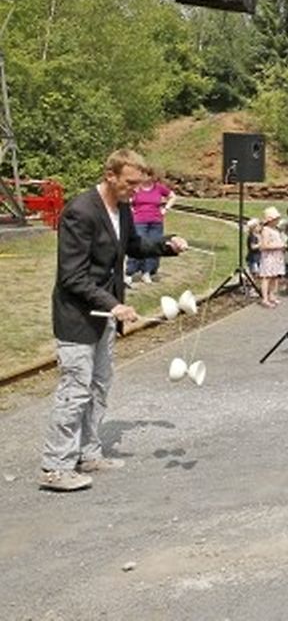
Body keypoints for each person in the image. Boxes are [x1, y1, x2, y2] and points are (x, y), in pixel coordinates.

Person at [41, 149, 189, 492]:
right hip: (77, 316)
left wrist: (168, 246)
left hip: (106, 315)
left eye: (140, 184)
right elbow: (71, 276)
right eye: (130, 183)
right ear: (111, 175)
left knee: (100, 385)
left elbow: (134, 246)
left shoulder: (122, 207)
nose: (136, 191)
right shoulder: (80, 211)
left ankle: (88, 453)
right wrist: (114, 304)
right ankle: (55, 465)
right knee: (74, 391)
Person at [124, 166, 176, 285]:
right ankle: (129, 272)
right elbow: (126, 199)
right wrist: (131, 210)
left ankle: (147, 272)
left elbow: (173, 196)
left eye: (148, 175)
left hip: (156, 221)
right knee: (138, 246)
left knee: (155, 246)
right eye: (143, 175)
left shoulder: (159, 188)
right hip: (139, 221)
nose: (145, 178)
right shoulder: (136, 188)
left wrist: (165, 209)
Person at [257, 206, 286, 308]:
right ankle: (264, 298)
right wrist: (279, 246)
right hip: (269, 256)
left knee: (275, 276)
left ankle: (272, 295)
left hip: (277, 256)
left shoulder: (275, 230)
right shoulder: (266, 230)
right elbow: (264, 246)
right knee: (267, 277)